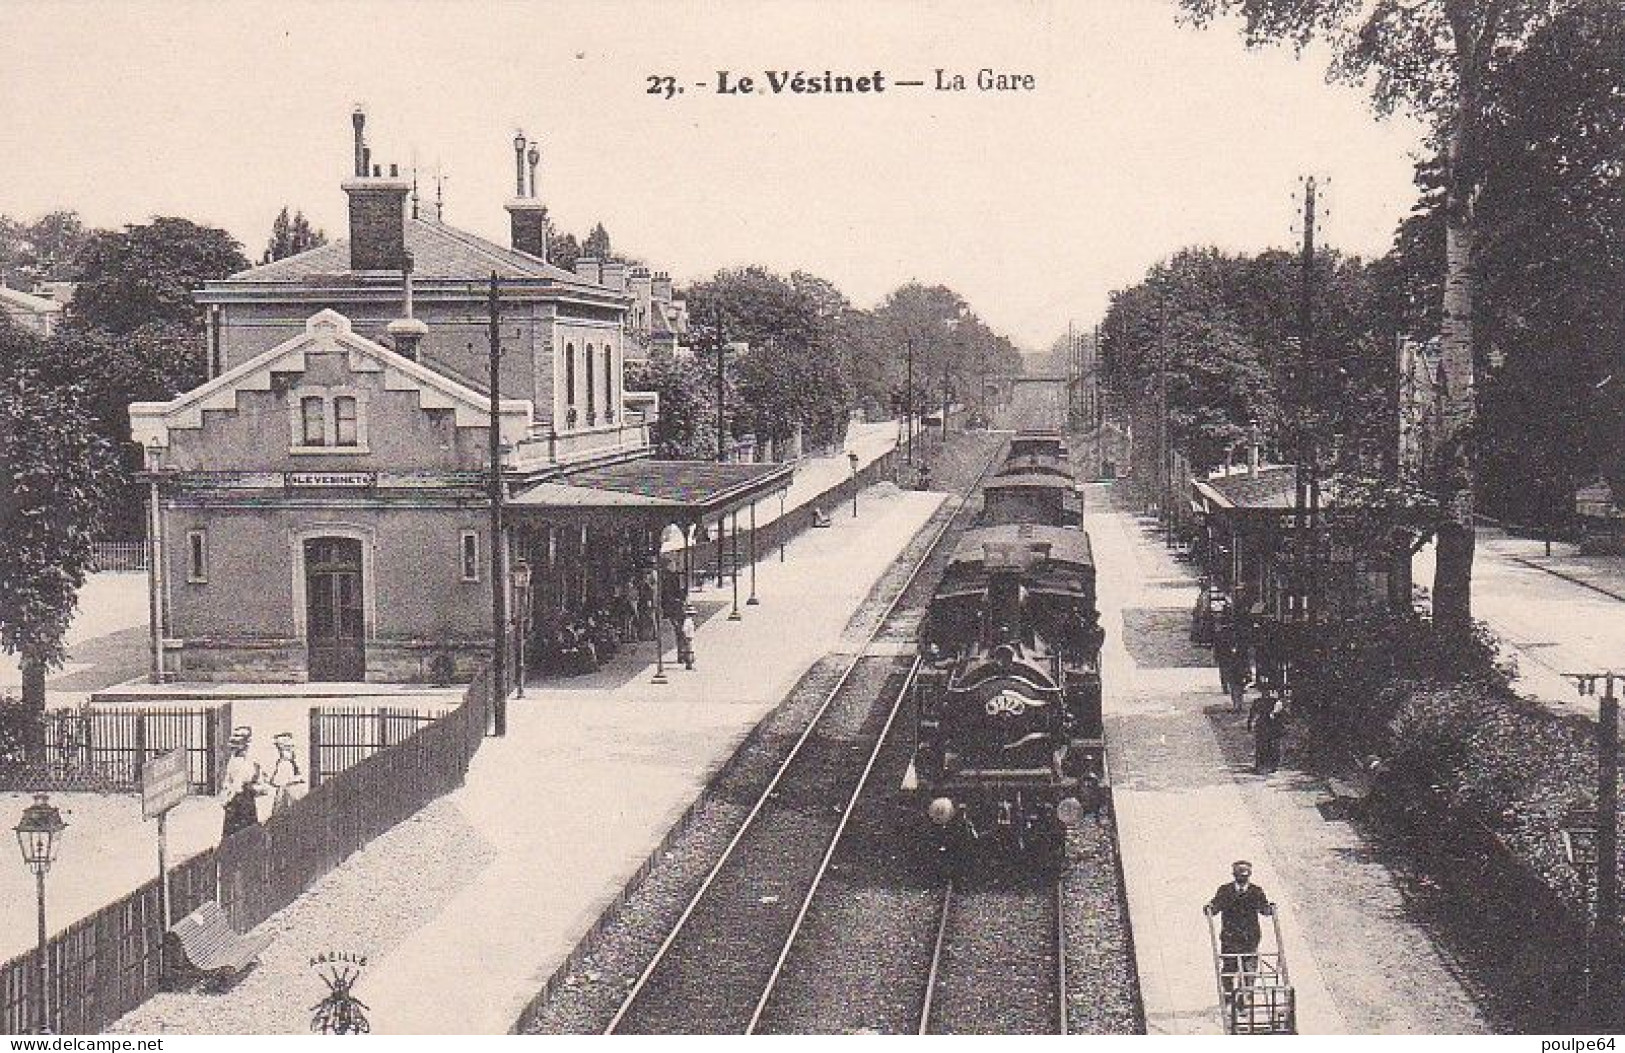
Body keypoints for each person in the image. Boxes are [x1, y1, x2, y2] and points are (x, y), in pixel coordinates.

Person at [1204, 860, 1274, 998]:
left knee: (1248, 971)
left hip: (1250, 938)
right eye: (1239, 875)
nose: (1242, 878)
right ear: (1234, 875)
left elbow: (1263, 908)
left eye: (1245, 875)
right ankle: (1229, 996)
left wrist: (1269, 909)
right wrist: (1210, 908)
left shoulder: (1256, 891)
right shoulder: (1225, 890)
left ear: (1250, 875)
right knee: (1230, 968)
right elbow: (1216, 905)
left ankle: (1245, 1000)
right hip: (1230, 938)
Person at [220, 726, 265, 837]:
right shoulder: (236, 759)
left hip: (242, 797)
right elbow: (231, 780)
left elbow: (238, 783)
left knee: (241, 830)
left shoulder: (245, 760)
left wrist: (227, 799)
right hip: (238, 798)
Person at [267, 731, 307, 818]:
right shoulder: (285, 763)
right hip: (288, 793)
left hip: (294, 793)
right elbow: (277, 782)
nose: (292, 749)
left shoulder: (289, 762)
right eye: (288, 747)